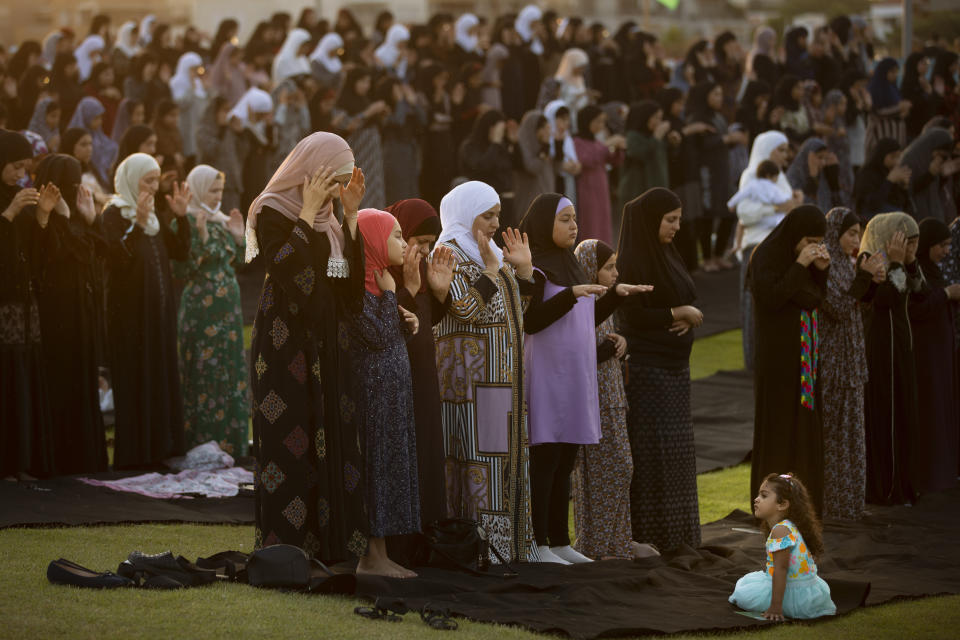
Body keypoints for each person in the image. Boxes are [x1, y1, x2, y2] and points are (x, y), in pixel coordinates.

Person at [246, 132, 370, 563]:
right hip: (285, 350)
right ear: (310, 172)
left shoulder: (334, 224)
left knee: (333, 440)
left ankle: (333, 548)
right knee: (290, 442)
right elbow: (287, 271)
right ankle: (289, 553)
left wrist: (351, 218)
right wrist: (307, 212)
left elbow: (351, 292)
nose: (337, 191)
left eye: (342, 183)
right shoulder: (272, 212)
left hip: (328, 346)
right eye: (332, 181)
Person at [519, 193, 649, 563]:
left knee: (566, 459)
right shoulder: (536, 268)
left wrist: (615, 297)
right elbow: (532, 321)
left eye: (575, 218)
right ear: (545, 223)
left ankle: (561, 541)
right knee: (545, 459)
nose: (574, 226)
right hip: (548, 372)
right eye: (565, 219)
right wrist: (573, 294)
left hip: (575, 375)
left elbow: (581, 320)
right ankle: (538, 543)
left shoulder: (572, 267)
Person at [433, 180, 540, 562]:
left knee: (507, 463)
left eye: (498, 214)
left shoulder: (488, 252)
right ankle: (483, 550)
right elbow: (465, 308)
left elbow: (513, 313)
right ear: (466, 214)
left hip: (503, 381)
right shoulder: (448, 252)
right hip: (471, 387)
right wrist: (494, 271)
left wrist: (523, 274)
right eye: (487, 215)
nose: (496, 223)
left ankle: (513, 547)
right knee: (484, 466)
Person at [616, 187, 702, 551]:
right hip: (649, 373)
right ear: (652, 220)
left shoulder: (667, 253)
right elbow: (631, 316)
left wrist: (686, 314)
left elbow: (686, 295)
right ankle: (651, 536)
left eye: (678, 219)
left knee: (678, 456)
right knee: (654, 456)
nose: (677, 227)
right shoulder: (634, 260)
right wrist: (675, 314)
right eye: (670, 220)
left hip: (675, 370)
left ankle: (680, 535)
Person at [101, 153, 192, 469]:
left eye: (156, 181)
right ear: (130, 180)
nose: (153, 188)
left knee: (160, 377)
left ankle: (161, 449)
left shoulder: (152, 216)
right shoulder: (114, 215)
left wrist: (181, 218)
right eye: (148, 181)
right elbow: (116, 260)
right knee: (136, 379)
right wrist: (137, 225)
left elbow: (180, 252)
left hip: (159, 316)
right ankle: (135, 456)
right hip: (130, 318)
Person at [347, 208, 422, 578]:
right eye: (394, 237)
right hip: (373, 398)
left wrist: (406, 318)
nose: (403, 244)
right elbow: (375, 336)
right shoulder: (356, 287)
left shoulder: (379, 285)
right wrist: (393, 297)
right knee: (374, 470)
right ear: (372, 243)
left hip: (391, 396)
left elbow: (387, 334)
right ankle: (369, 558)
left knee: (388, 468)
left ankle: (382, 553)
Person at [749, 205, 830, 515]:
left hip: (805, 359)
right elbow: (772, 298)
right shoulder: (766, 255)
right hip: (778, 361)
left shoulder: (805, 259)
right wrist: (800, 264)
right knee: (779, 430)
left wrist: (821, 270)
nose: (813, 246)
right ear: (795, 236)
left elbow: (815, 299)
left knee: (805, 429)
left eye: (819, 240)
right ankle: (770, 506)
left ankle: (803, 506)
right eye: (809, 239)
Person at [31, 154, 108, 475]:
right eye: (70, 183)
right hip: (55, 313)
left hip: (81, 311)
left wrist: (91, 220)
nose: (74, 190)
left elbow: (99, 252)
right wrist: (57, 216)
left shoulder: (76, 215)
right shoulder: (39, 214)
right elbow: (57, 252)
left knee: (81, 380)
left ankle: (83, 458)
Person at [385, 199, 455, 535]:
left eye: (431, 244)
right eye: (419, 243)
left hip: (425, 376)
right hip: (397, 379)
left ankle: (429, 529)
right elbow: (389, 326)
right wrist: (409, 288)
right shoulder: (384, 272)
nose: (426, 251)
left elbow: (424, 323)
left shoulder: (421, 273)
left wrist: (439, 294)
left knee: (428, 450)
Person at [172, 165, 249, 456]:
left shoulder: (219, 219)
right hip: (201, 310)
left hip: (228, 308)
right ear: (199, 189)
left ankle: (232, 444)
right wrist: (201, 236)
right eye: (212, 191)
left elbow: (237, 264)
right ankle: (201, 444)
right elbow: (183, 268)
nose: (217, 197)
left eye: (220, 191)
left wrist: (239, 238)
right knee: (204, 371)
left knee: (228, 369)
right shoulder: (188, 220)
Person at [818, 208, 885, 520]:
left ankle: (853, 504)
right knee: (837, 436)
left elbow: (860, 306)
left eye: (859, 233)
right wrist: (863, 277)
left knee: (854, 436)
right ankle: (836, 505)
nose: (856, 240)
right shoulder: (825, 265)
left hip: (853, 359)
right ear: (834, 234)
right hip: (834, 363)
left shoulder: (847, 262)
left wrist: (872, 282)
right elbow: (838, 308)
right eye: (851, 234)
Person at [858, 212, 922, 506]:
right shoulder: (869, 262)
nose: (910, 248)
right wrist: (896, 262)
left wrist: (907, 262)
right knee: (886, 415)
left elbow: (919, 288)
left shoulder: (899, 264)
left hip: (901, 352)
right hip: (881, 352)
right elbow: (888, 298)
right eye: (906, 242)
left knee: (904, 413)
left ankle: (904, 483)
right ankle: (886, 486)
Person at [0, 130, 52, 480]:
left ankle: (22, 462)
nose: (20, 174)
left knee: (23, 379)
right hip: (4, 305)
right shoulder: (10, 199)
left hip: (23, 300)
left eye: (24, 167)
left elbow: (35, 253)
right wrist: (9, 213)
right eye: (15, 166)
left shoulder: (19, 193)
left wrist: (42, 216)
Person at [729, 473, 836, 620]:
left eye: (764, 496)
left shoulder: (781, 530)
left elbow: (781, 569)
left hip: (792, 597)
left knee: (743, 592)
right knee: (750, 579)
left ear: (782, 504)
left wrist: (775, 607)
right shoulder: (790, 526)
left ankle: (777, 603)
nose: (756, 499)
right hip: (810, 594)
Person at [736, 131, 801, 371]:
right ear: (766, 150)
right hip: (757, 247)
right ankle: (756, 361)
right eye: (780, 150)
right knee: (754, 305)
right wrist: (777, 207)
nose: (785, 155)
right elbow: (745, 213)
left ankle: (774, 360)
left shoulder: (780, 177)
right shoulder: (751, 175)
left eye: (786, 150)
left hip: (779, 247)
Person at [908, 218, 960, 495]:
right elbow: (916, 310)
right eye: (942, 245)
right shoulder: (917, 272)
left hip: (941, 354)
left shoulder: (932, 271)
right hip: (926, 357)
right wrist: (946, 294)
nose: (946, 251)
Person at [573, 105, 624, 244]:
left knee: (603, 223)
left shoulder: (597, 141)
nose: (601, 125)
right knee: (591, 224)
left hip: (601, 190)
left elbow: (613, 160)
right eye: (598, 121)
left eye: (602, 122)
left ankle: (603, 257)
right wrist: (609, 144)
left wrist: (619, 149)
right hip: (587, 190)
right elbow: (587, 160)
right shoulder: (577, 141)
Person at [618, 100, 670, 215]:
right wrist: (656, 138)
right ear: (645, 117)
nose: (659, 122)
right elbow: (639, 153)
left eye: (660, 118)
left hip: (657, 189)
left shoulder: (656, 137)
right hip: (637, 192)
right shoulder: (633, 135)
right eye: (655, 118)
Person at [900, 127, 954, 223]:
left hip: (932, 216)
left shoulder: (930, 160)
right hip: (916, 217)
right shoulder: (910, 160)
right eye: (942, 155)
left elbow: (935, 191)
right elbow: (907, 191)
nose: (940, 159)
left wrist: (942, 176)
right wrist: (930, 174)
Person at [853, 138, 911, 220]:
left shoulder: (890, 171)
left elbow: (905, 205)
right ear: (882, 155)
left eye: (898, 157)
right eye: (893, 157)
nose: (896, 162)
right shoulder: (867, 174)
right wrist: (889, 181)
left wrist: (904, 187)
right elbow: (872, 204)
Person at [513, 110, 557, 219]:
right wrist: (544, 150)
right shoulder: (521, 146)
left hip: (546, 197)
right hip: (529, 202)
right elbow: (533, 168)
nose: (546, 132)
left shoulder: (543, 147)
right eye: (543, 128)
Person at [67, 96, 118, 189]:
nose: (100, 122)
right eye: (96, 118)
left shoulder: (98, 135)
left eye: (101, 118)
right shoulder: (74, 136)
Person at [865, 58, 909, 156]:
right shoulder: (876, 89)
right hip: (880, 137)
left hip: (895, 136)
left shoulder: (893, 88)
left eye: (896, 72)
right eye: (892, 72)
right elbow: (877, 111)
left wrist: (903, 112)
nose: (895, 75)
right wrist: (899, 108)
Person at [786, 138, 842, 213]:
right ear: (807, 156)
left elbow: (836, 202)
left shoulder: (823, 173)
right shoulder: (793, 175)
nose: (823, 163)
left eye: (825, 158)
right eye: (819, 157)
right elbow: (801, 204)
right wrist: (812, 177)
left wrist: (833, 175)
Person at [169, 52, 207, 161]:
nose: (195, 72)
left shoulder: (197, 83)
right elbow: (180, 104)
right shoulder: (177, 83)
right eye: (193, 69)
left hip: (197, 125)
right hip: (185, 124)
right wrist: (191, 90)